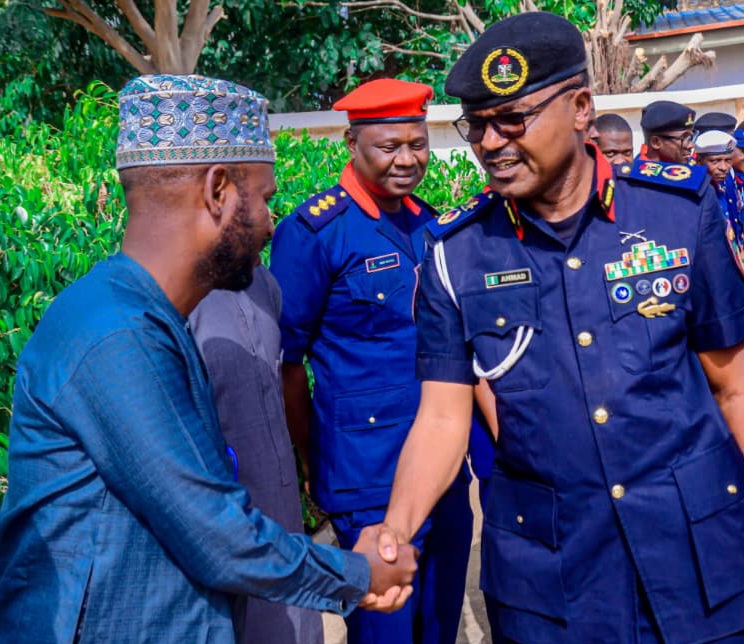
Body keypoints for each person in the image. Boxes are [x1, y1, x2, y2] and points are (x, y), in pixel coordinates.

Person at [363, 12, 744, 643]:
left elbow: (732, 384)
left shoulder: (678, 210)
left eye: (512, 119)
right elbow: (441, 417)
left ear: (581, 108)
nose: (490, 142)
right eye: (477, 125)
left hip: (698, 561)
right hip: (554, 585)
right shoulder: (455, 253)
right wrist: (395, 529)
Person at [0, 74, 419, 644]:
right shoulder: (115, 335)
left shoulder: (144, 316)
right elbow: (212, 533)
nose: (273, 225)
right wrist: (360, 571)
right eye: (266, 199)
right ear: (218, 189)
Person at [270, 78, 473, 644]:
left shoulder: (429, 223)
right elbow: (286, 363)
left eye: (418, 143)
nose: (406, 159)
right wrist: (312, 459)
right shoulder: (315, 233)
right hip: (367, 476)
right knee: (385, 631)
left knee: (440, 625)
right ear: (351, 141)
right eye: (389, 146)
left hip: (443, 467)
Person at [189, 259, 324, 644]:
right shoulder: (171, 303)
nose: (270, 218)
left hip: (284, 533)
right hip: (229, 547)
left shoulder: (262, 282)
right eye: (259, 198)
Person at [695, 130, 744, 277]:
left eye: (728, 160)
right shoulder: (695, 191)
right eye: (715, 161)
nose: (723, 167)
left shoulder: (727, 180)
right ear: (698, 161)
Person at [638, 99, 696, 164]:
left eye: (690, 138)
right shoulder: (635, 173)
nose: (691, 145)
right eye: (683, 138)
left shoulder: (690, 168)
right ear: (656, 142)